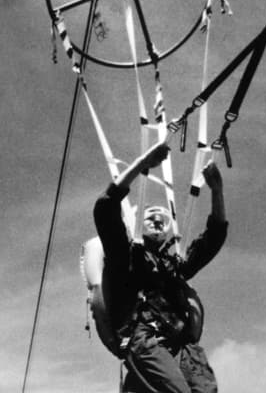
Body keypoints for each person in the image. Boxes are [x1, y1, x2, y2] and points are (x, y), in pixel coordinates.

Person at [93, 141, 228, 393]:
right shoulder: (126, 258)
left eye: (163, 218)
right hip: (146, 339)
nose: (157, 220)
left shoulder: (174, 267)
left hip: (183, 347)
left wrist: (217, 191)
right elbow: (105, 208)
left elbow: (213, 238)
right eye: (150, 216)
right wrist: (142, 164)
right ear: (136, 223)